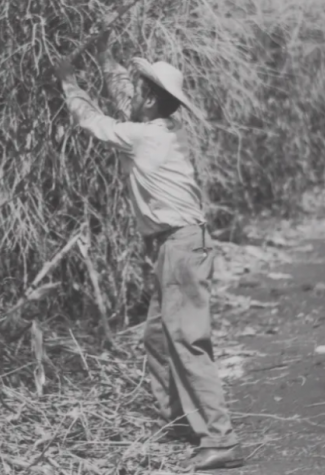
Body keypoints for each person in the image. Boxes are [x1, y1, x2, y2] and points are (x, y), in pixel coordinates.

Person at [55, 32, 245, 472]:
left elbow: (93, 121)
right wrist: (104, 57)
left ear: (151, 104)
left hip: (181, 247)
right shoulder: (162, 126)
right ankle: (182, 422)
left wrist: (68, 80)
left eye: (141, 93)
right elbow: (126, 93)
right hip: (173, 248)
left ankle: (221, 438)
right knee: (158, 338)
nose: (133, 97)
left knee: (186, 341)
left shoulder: (146, 138)